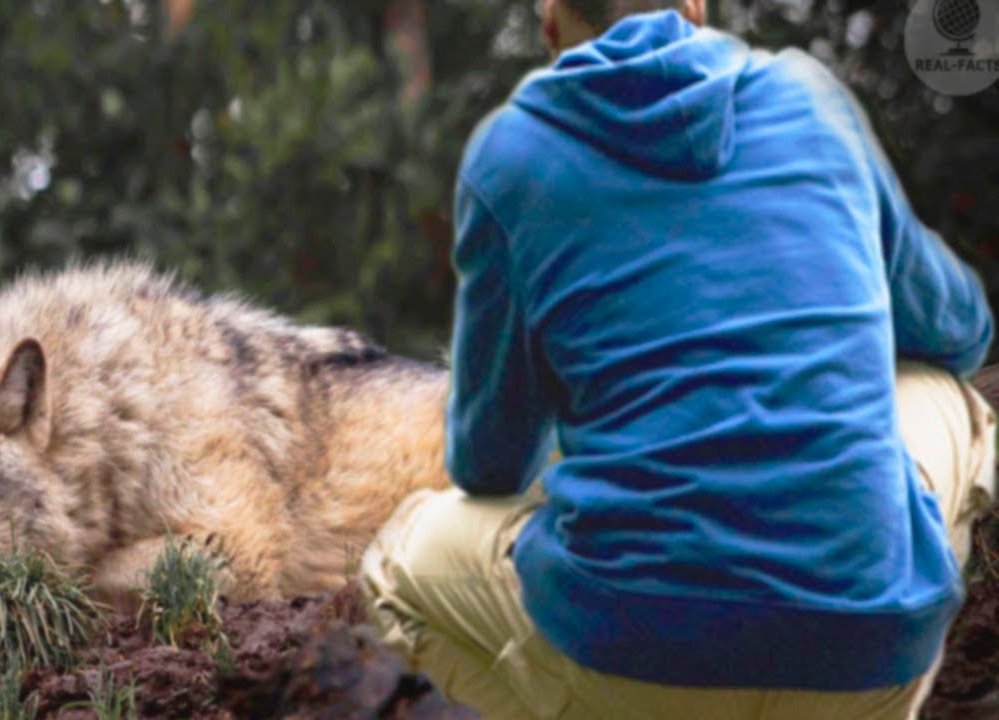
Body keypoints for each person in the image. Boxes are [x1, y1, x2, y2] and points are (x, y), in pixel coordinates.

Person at [359, 1, 997, 718]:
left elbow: (489, 466)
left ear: (551, 22)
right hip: (870, 660)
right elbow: (958, 330)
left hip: (634, 660)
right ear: (694, 6)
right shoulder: (813, 97)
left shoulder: (510, 156)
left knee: (393, 564)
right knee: (947, 394)